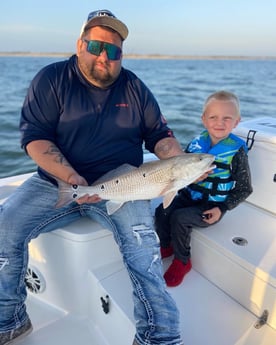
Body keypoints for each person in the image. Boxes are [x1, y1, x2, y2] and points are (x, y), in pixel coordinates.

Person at [0, 9, 185, 345]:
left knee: (144, 248)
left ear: (121, 55)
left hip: (125, 186)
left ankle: (160, 337)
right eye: (96, 45)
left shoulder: (134, 88)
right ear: (79, 44)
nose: (105, 56)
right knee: (4, 226)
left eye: (113, 50)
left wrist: (177, 158)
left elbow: (159, 134)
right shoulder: (52, 79)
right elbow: (36, 139)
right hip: (56, 182)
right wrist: (72, 179)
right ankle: (9, 320)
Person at [155, 90, 253, 287]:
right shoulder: (197, 143)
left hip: (211, 205)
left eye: (227, 118)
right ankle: (167, 246)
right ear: (204, 120)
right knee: (162, 210)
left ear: (236, 122)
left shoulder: (237, 152)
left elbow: (244, 189)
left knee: (180, 218)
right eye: (213, 117)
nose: (220, 122)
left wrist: (222, 209)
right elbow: (180, 169)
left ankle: (182, 261)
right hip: (189, 194)